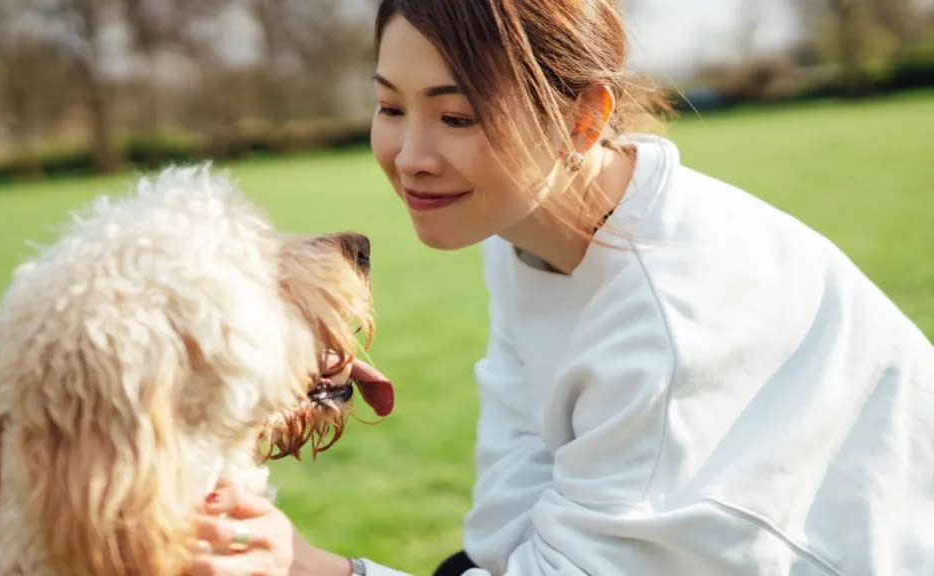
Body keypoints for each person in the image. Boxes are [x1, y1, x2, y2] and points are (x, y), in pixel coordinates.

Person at [186, 0, 934, 575]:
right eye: (390, 107)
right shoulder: (532, 231)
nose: (411, 155)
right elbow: (516, 484)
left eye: (456, 116)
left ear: (583, 121)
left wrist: (316, 567)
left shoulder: (668, 321)